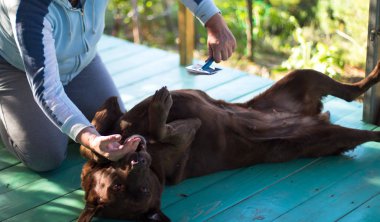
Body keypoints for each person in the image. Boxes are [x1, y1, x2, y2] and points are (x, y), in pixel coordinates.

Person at [0, 0, 236, 172]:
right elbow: (48, 90)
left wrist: (213, 21)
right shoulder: (26, 6)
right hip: (17, 67)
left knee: (116, 127)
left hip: (82, 61)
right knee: (47, 155)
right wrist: (90, 139)